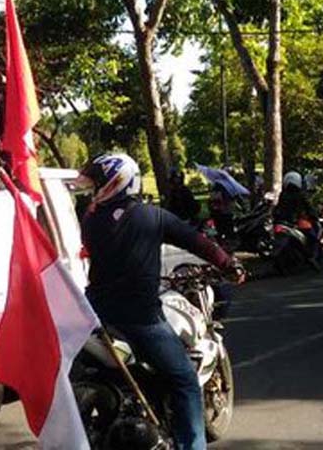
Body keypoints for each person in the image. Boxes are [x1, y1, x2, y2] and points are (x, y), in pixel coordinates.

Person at [79, 153, 243, 450]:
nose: (94, 189)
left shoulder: (89, 219)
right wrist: (229, 264)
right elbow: (197, 242)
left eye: (98, 183)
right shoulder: (150, 216)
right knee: (185, 381)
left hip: (95, 315)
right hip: (141, 319)